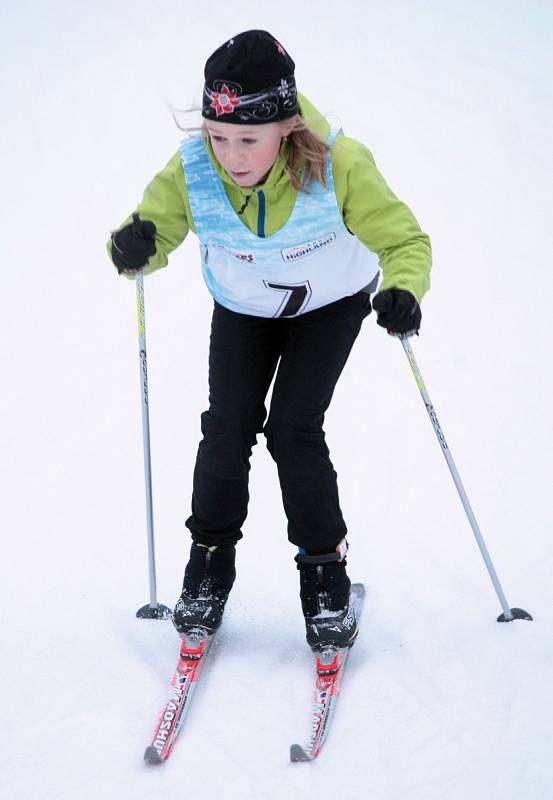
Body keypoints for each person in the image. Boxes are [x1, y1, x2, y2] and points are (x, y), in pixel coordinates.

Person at [107, 30, 431, 651]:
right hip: (244, 307)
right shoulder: (195, 169)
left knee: (292, 428)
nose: (230, 155)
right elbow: (150, 229)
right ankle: (207, 564)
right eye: (217, 136)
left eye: (247, 139)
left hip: (329, 307)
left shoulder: (339, 165)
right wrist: (132, 246)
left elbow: (406, 242)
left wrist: (404, 290)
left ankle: (324, 572)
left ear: (285, 125)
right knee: (227, 425)